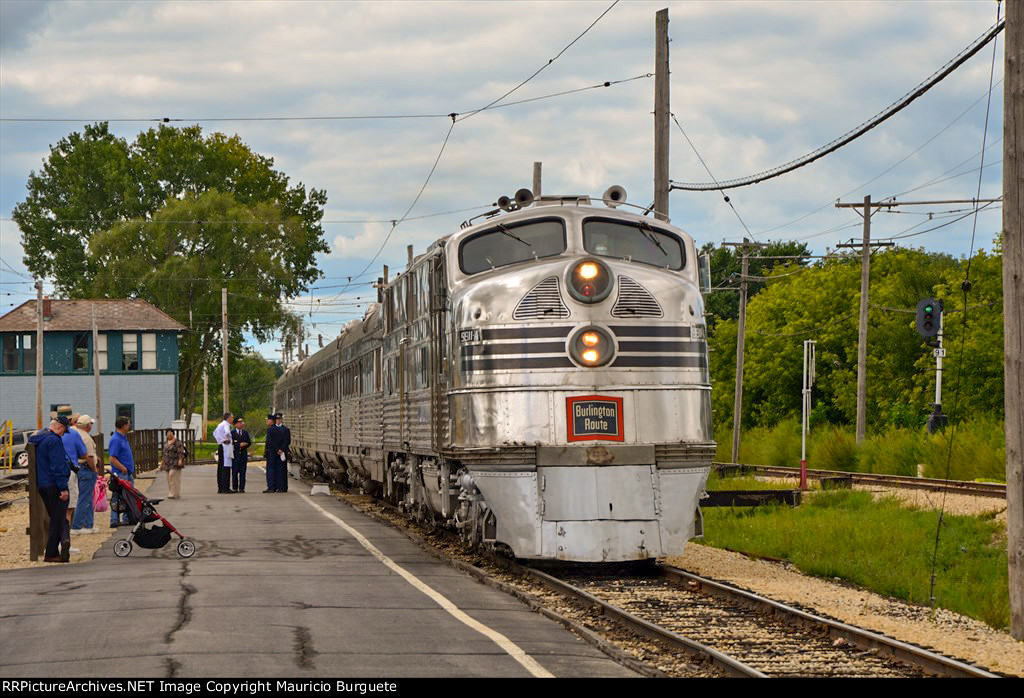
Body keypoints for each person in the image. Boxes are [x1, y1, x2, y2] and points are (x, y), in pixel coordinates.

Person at [29, 417, 73, 562]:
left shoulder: (39, 439)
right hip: (54, 484)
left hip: (43, 484)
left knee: (57, 516)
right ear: (60, 427)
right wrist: (63, 488)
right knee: (58, 518)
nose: (63, 434)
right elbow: (58, 465)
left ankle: (65, 540)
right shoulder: (54, 441)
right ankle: (52, 552)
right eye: (64, 431)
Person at [60, 415, 87, 556]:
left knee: (55, 510)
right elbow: (84, 453)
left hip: (53, 474)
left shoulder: (48, 433)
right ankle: (65, 540)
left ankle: (53, 541)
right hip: (69, 472)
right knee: (69, 509)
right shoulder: (73, 434)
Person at [70, 415, 99, 533]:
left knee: (85, 497)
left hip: (79, 467)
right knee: (84, 497)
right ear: (88, 426)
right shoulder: (86, 438)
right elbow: (90, 457)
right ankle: (77, 526)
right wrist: (94, 469)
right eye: (91, 424)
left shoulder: (76, 434)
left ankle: (88, 524)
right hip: (87, 468)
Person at [108, 416, 136, 527]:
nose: (129, 426)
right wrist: (122, 468)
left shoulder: (123, 438)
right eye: (128, 424)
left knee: (127, 496)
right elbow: (112, 458)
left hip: (127, 473)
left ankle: (126, 518)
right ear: (123, 425)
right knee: (118, 496)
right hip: (121, 473)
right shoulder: (116, 439)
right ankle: (114, 520)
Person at [161, 428, 187, 499]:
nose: (169, 434)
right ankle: (174, 493)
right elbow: (164, 454)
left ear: (173, 434)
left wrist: (180, 460)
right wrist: (162, 463)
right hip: (167, 463)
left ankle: (173, 494)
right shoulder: (166, 443)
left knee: (172, 476)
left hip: (175, 462)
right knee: (169, 479)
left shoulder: (177, 442)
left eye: (170, 433)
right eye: (167, 433)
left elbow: (180, 451)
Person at [213, 412, 234, 494]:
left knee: (220, 466)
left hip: (221, 445)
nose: (232, 419)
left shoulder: (220, 424)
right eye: (232, 417)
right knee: (226, 466)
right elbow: (227, 432)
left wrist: (219, 440)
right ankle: (226, 487)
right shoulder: (226, 425)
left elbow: (214, 433)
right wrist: (228, 439)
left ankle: (220, 487)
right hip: (226, 445)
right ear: (228, 418)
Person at [264, 414, 285, 493]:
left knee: (270, 470)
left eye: (268, 420)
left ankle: (271, 487)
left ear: (272, 421)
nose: (267, 421)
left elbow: (270, 442)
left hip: (271, 452)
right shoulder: (280, 429)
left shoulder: (270, 430)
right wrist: (280, 449)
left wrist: (276, 449)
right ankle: (278, 486)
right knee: (278, 470)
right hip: (278, 452)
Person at [231, 417, 250, 493]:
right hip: (235, 456)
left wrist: (245, 444)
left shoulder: (245, 433)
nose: (241, 424)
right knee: (234, 472)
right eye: (239, 423)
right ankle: (235, 487)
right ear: (235, 424)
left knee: (243, 473)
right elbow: (231, 443)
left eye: (241, 422)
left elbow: (249, 442)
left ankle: (242, 488)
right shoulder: (232, 433)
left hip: (243, 456)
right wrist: (239, 445)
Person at [275, 413, 290, 493]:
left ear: (281, 420)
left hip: (283, 452)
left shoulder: (286, 429)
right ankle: (277, 486)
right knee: (276, 470)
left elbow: (287, 441)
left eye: (279, 419)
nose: (278, 420)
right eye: (277, 419)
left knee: (283, 470)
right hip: (275, 452)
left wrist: (281, 449)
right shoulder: (272, 429)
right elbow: (271, 441)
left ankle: (284, 487)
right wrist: (277, 449)